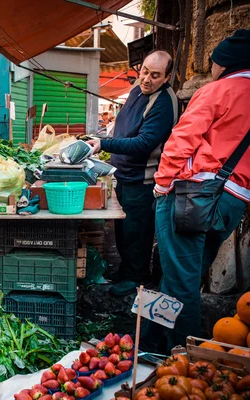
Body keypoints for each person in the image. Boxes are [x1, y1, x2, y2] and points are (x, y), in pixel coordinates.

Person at [141, 29, 250, 352]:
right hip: (233, 202)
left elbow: (182, 140)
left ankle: (185, 358)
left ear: (224, 64)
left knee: (181, 282)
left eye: (214, 62)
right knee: (180, 275)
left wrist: (161, 186)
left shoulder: (218, 90)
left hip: (193, 197)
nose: (212, 68)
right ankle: (149, 342)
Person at [87, 50, 178, 296]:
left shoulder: (164, 102)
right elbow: (124, 128)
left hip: (144, 180)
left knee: (138, 232)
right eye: (145, 72)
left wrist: (103, 144)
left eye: (155, 75)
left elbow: (144, 143)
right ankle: (125, 272)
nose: (147, 79)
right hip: (124, 175)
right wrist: (104, 139)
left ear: (167, 76)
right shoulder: (138, 91)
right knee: (123, 230)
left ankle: (137, 279)